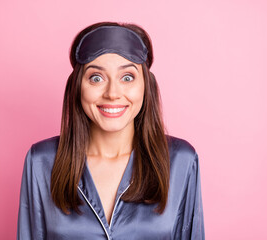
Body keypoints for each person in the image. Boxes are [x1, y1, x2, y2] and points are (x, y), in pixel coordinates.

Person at [17, 22, 205, 240]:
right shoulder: (41, 162)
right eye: (96, 78)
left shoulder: (181, 161)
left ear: (146, 85)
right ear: (78, 86)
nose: (113, 93)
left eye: (127, 77)